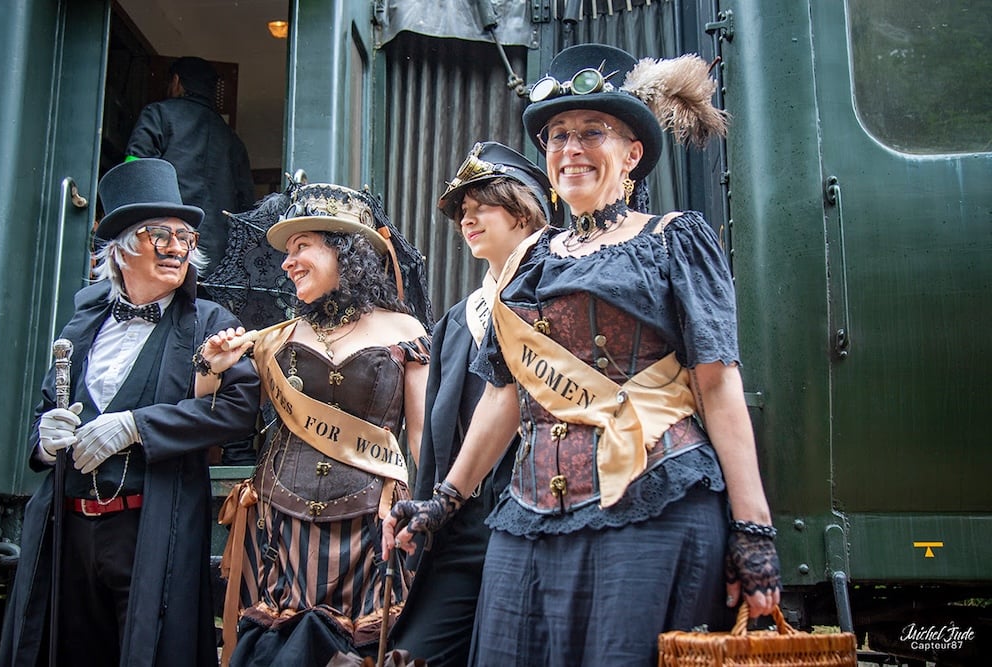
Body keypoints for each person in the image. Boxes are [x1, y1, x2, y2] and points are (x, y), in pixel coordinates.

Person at [383, 43, 782, 666]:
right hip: (528, 514)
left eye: (592, 131)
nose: (570, 149)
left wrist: (753, 529)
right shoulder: (528, 261)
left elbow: (718, 384)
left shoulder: (674, 240)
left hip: (656, 503)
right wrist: (444, 500)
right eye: (557, 135)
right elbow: (505, 396)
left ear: (632, 153)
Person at [0, 157, 261, 667]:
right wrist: (44, 438)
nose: (176, 248)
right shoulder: (80, 324)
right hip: (67, 528)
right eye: (159, 234)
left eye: (184, 237)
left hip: (149, 527)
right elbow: (39, 416)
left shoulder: (209, 321)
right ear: (119, 249)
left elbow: (235, 411)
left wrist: (135, 425)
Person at [197, 183, 431, 666]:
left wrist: (427, 514)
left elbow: (422, 440)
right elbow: (218, 419)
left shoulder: (406, 333)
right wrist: (210, 370)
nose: (287, 261)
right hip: (282, 527)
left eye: (302, 246)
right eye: (287, 251)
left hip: (372, 526)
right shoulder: (273, 338)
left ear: (343, 250)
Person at [389, 141, 563, 665]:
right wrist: (425, 513)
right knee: (413, 655)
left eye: (481, 204)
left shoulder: (567, 287)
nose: (467, 219)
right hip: (460, 525)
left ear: (524, 205)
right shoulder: (454, 322)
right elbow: (439, 438)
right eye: (461, 212)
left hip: (541, 522)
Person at [126, 56, 255, 280]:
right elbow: (247, 205)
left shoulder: (158, 114)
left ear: (177, 82)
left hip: (163, 245)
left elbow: (134, 174)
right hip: (216, 258)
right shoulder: (232, 140)